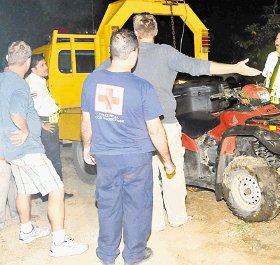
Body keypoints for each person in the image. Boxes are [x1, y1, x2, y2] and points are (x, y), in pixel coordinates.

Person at [97, 13, 261, 232]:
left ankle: (154, 222)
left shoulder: (123, 56)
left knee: (147, 175)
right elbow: (199, 66)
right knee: (172, 171)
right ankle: (177, 217)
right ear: (155, 31)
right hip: (165, 124)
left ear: (135, 33)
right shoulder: (166, 53)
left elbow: (100, 81)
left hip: (135, 127)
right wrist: (236, 68)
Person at [81, 29, 175, 265]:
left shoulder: (92, 80)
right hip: (136, 159)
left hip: (105, 157)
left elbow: (86, 120)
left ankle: (107, 254)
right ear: (134, 54)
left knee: (108, 205)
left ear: (111, 52)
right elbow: (155, 129)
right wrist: (167, 160)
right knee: (138, 206)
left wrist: (86, 147)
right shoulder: (142, 87)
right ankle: (133, 255)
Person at [0, 40, 88, 256]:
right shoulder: (21, 85)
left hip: (11, 148)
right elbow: (16, 114)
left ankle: (26, 229)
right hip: (27, 149)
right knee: (56, 189)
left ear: (7, 59)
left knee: (23, 190)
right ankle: (59, 243)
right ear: (28, 61)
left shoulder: (3, 79)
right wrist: (26, 131)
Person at [25, 54, 73, 201]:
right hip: (46, 126)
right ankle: (55, 194)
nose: (46, 67)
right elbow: (29, 109)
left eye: (45, 64)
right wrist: (41, 124)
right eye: (42, 65)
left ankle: (48, 193)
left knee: (49, 159)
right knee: (53, 160)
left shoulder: (39, 81)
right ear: (33, 69)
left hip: (50, 123)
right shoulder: (32, 83)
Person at [0, 55, 18, 230]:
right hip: (4, 140)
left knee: (13, 179)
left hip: (10, 140)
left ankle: (15, 213)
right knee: (3, 180)